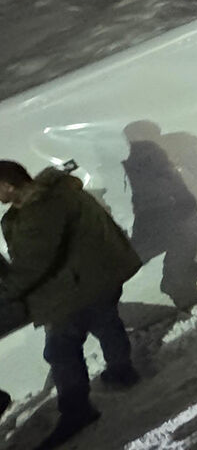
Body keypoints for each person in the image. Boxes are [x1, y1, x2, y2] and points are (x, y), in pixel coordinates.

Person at [0, 161, 143, 449]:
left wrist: (6, 293)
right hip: (95, 275)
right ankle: (121, 369)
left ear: (7, 184)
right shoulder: (49, 197)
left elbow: (32, 265)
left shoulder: (41, 208)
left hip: (79, 284)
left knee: (61, 349)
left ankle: (78, 410)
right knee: (105, 322)